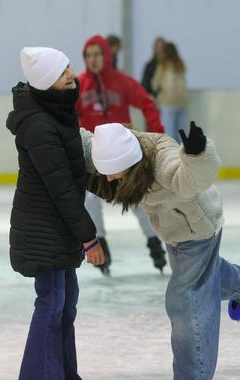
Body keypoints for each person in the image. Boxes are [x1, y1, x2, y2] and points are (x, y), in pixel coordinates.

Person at [81, 122, 240, 380]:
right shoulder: (109, 146)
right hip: (173, 230)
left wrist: (196, 153)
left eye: (114, 172)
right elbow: (79, 138)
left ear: (130, 162)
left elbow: (191, 178)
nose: (110, 179)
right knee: (207, 279)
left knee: (186, 301)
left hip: (197, 230)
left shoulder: (160, 157)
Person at [7, 46, 105, 380]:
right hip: (42, 230)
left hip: (56, 228)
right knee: (51, 308)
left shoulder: (56, 110)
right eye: (64, 71)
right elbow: (61, 187)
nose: (72, 75)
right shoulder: (39, 124)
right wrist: (89, 237)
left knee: (66, 307)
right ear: (47, 80)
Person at [77, 34, 167, 275]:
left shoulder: (122, 82)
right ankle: (101, 246)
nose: (93, 59)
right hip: (94, 157)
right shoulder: (79, 85)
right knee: (91, 201)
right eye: (89, 55)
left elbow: (148, 104)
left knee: (139, 201)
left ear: (107, 56)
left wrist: (155, 138)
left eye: (97, 54)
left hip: (125, 155)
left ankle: (154, 244)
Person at [152, 42, 188, 140]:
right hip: (182, 101)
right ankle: (183, 153)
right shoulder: (180, 64)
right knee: (182, 132)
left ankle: (171, 153)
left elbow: (155, 84)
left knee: (170, 132)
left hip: (168, 102)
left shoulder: (163, 65)